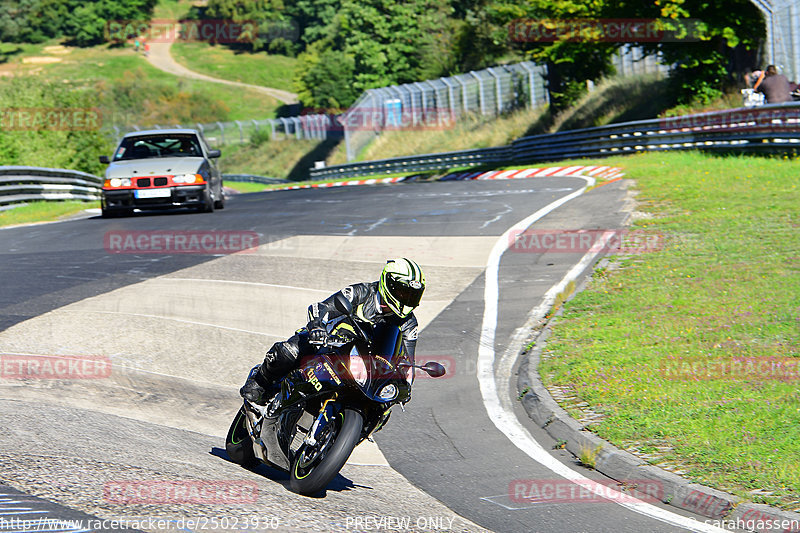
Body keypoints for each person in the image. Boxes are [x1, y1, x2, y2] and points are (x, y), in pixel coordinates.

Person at [240, 258, 425, 405]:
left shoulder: (409, 323)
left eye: (412, 295)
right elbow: (320, 307)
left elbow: (408, 362)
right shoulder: (362, 292)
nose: (406, 299)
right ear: (388, 283)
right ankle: (260, 383)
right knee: (289, 351)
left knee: (383, 405)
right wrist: (317, 327)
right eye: (402, 292)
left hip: (365, 366)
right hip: (330, 343)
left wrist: (406, 386)